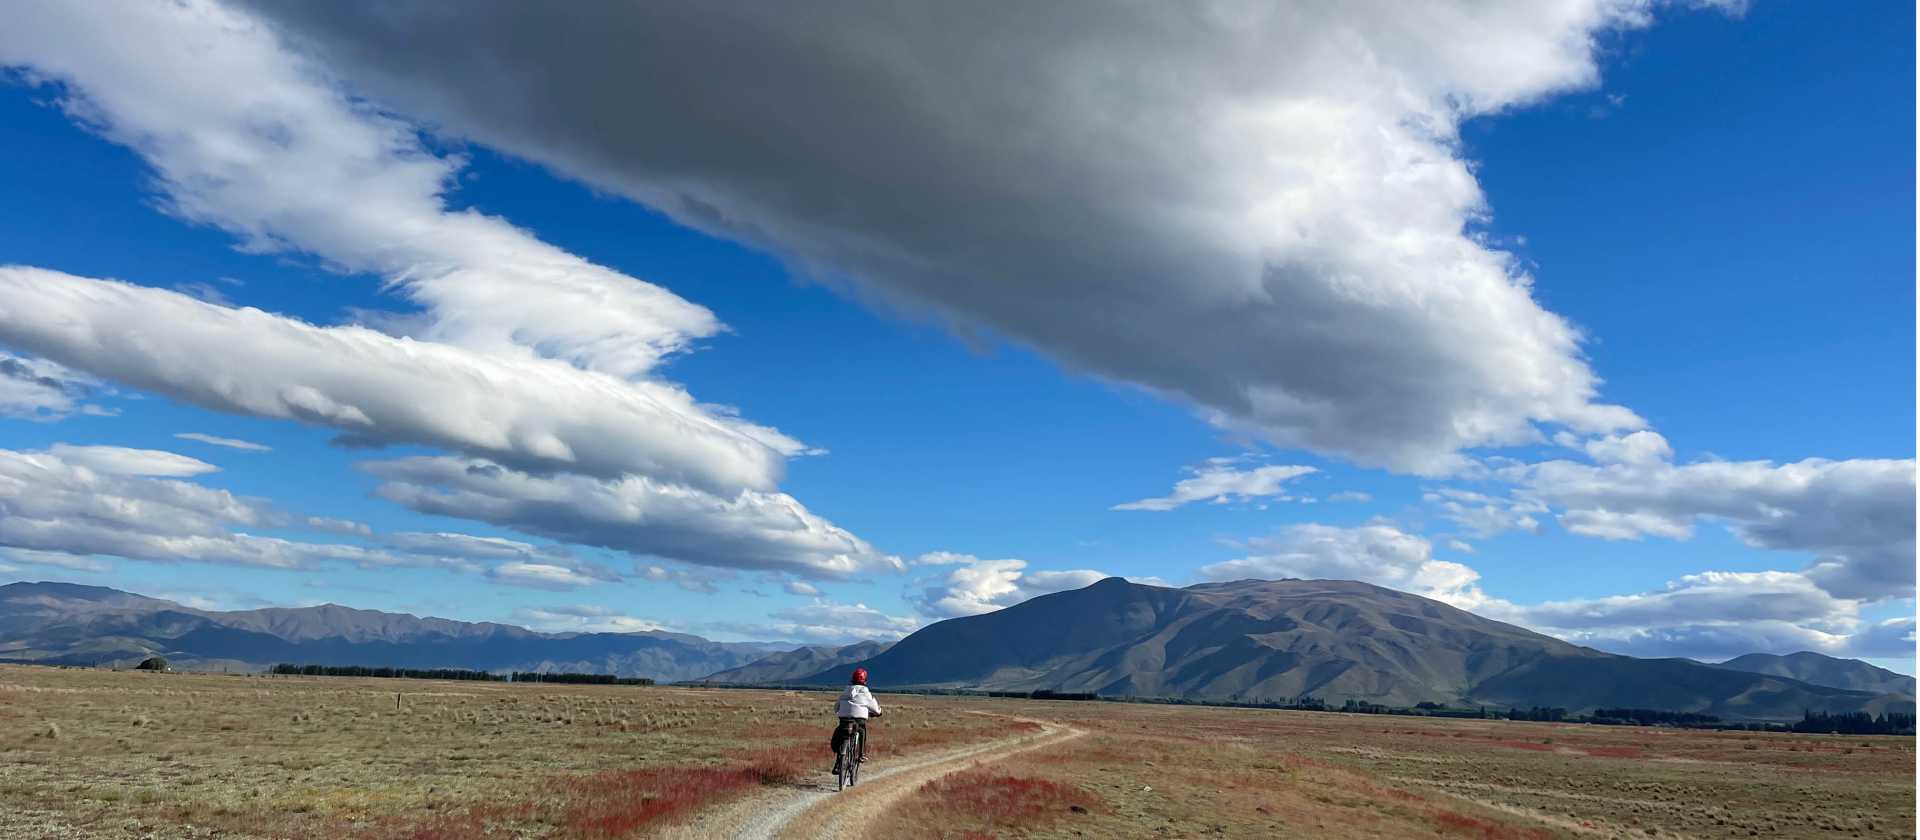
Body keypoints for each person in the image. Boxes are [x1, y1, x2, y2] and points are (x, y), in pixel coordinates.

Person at [830, 667, 881, 775]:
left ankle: (838, 763)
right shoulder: (866, 692)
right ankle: (861, 754)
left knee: (842, 734)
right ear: (865, 680)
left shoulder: (846, 690)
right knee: (862, 730)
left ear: (852, 679)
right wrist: (878, 712)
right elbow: (876, 709)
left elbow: (836, 708)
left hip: (844, 719)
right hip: (859, 720)